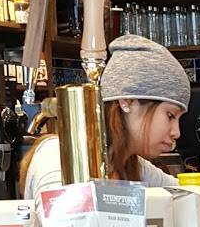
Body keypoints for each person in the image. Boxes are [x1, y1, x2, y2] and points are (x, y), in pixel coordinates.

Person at [22, 34, 190, 202]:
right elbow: (62, 215)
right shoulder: (56, 156)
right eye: (170, 115)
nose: (177, 132)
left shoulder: (133, 166)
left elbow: (187, 195)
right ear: (128, 101)